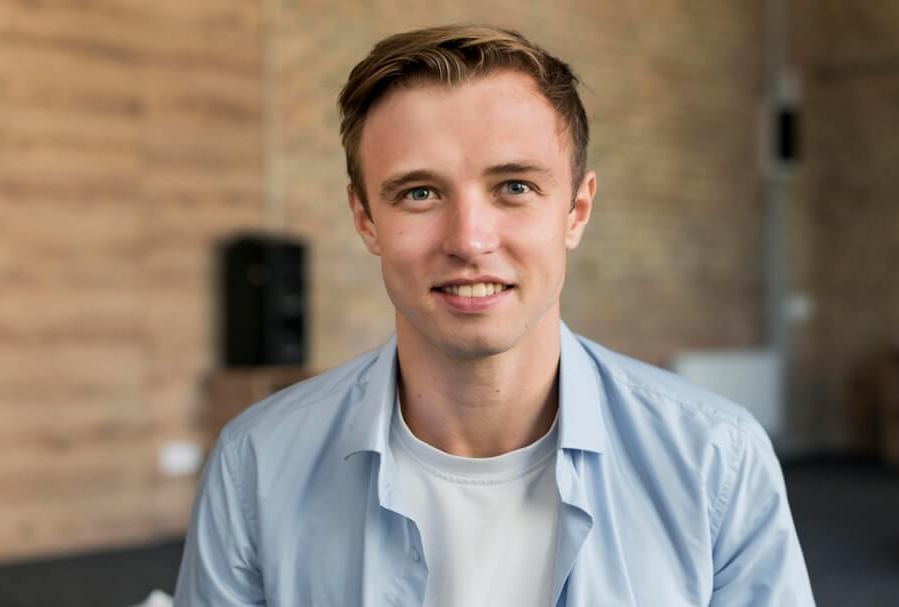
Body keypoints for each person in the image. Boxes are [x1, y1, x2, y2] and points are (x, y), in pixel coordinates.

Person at [174, 24, 815, 606]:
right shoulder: (255, 465)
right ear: (366, 218)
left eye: (515, 187)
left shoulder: (715, 458)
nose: (470, 239)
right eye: (420, 193)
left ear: (577, 211)